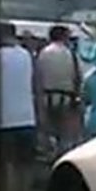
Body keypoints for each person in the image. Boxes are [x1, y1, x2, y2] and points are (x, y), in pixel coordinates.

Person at [0, 22, 41, 191]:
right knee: (26, 163)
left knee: (9, 164)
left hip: (4, 120)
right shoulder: (27, 56)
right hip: (27, 117)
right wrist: (40, 114)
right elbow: (36, 85)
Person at [37, 24, 82, 155]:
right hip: (66, 98)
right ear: (64, 37)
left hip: (46, 97)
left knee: (48, 132)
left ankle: (50, 153)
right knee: (65, 135)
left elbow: (38, 77)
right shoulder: (70, 54)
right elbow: (78, 77)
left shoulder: (43, 53)